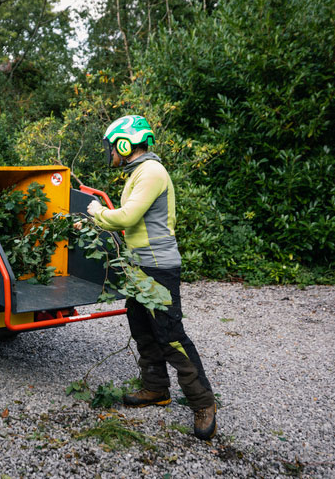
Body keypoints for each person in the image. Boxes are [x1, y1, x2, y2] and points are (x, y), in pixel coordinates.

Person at [83, 115, 217, 440]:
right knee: (142, 329)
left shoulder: (152, 172)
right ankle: (156, 389)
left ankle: (203, 403)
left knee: (170, 335)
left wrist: (96, 212)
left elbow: (126, 216)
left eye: (112, 146)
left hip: (157, 268)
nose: (110, 152)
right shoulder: (139, 173)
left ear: (125, 144)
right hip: (140, 267)